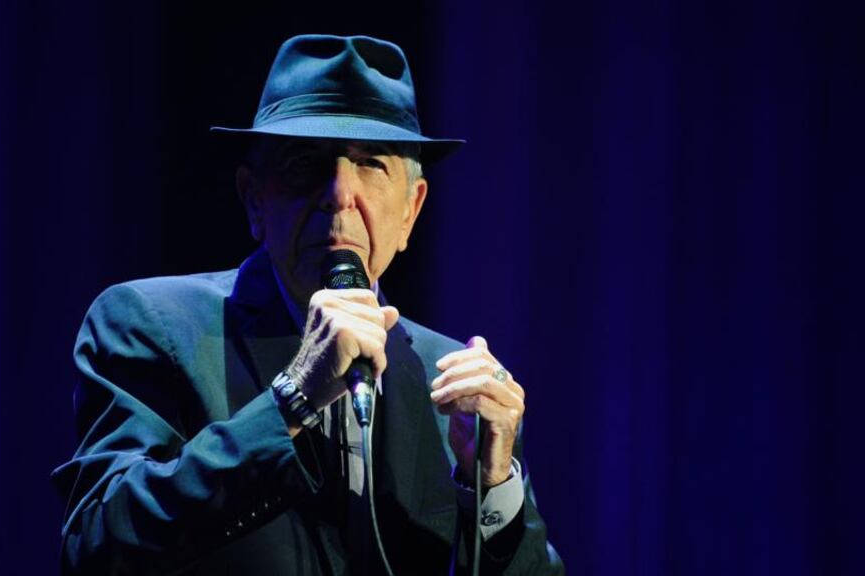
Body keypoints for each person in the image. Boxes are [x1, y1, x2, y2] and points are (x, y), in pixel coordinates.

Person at [52, 34, 564, 575]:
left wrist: (494, 487)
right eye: (305, 162)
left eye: (371, 164)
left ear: (410, 212)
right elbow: (96, 546)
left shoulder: (451, 382)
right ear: (254, 198)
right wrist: (294, 396)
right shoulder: (153, 324)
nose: (339, 195)